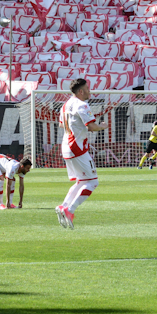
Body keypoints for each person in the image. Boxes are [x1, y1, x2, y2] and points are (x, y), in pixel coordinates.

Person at [56, 78, 108, 229]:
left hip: (66, 145)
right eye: (87, 88)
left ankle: (63, 206)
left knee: (81, 181)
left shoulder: (65, 104)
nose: (89, 91)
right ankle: (69, 210)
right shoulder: (81, 105)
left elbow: (61, 124)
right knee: (92, 182)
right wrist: (102, 126)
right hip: (76, 147)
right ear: (80, 91)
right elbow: (91, 127)